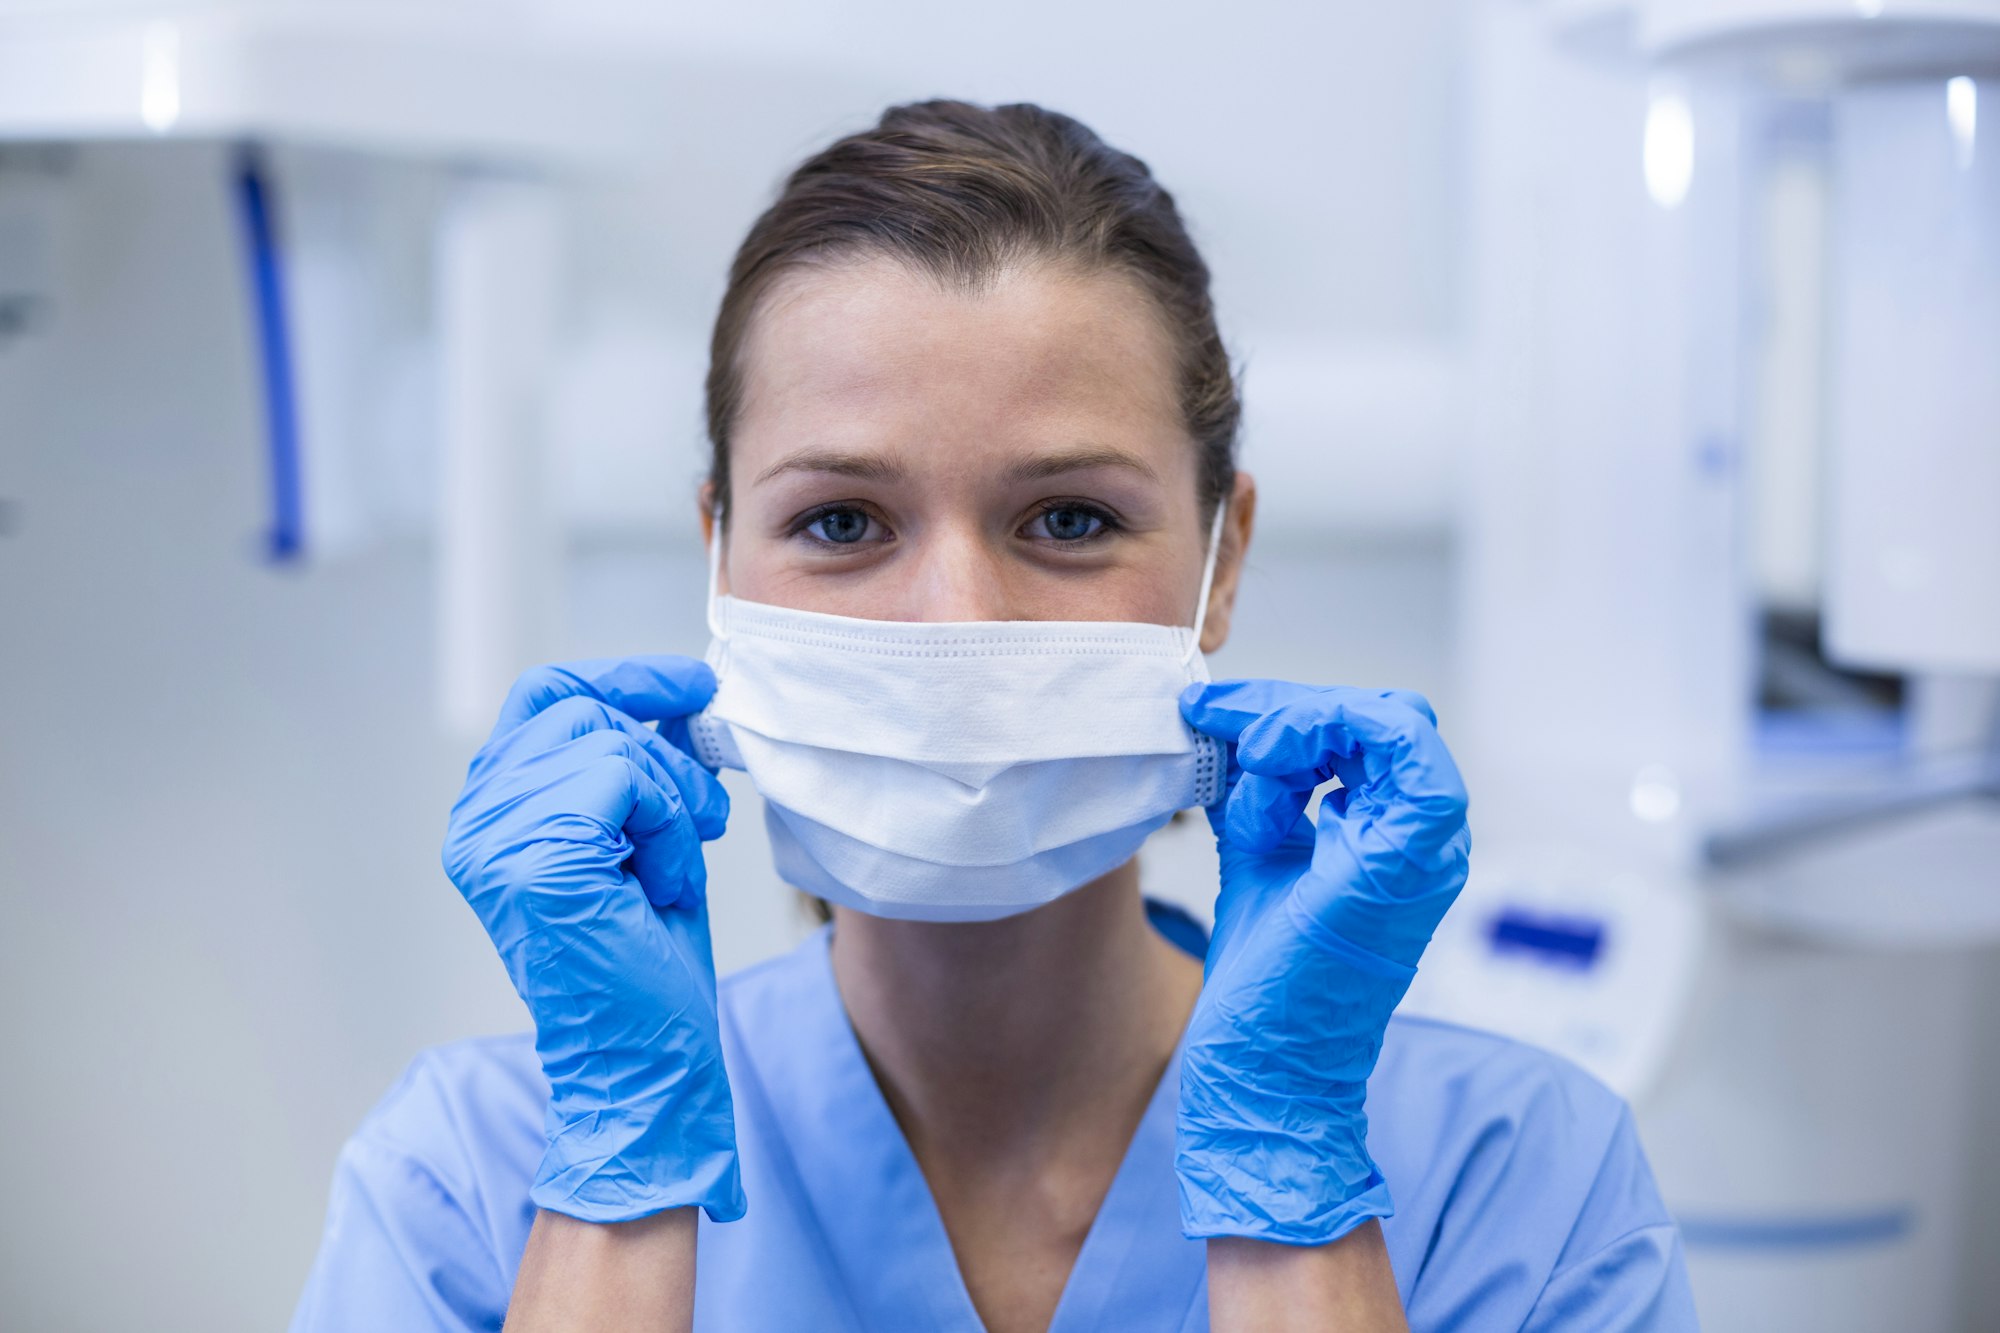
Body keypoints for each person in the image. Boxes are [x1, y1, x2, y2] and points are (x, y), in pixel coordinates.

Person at [290, 100, 1697, 1332]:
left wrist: (1292, 1181)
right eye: (841, 520)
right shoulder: (473, 1179)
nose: (955, 615)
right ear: (718, 556)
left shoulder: (1520, 1177)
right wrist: (618, 1181)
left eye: (1068, 518)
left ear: (1225, 559)